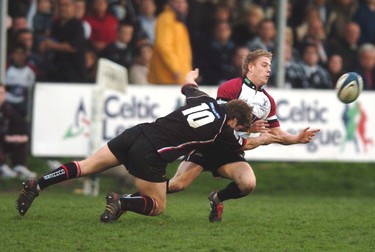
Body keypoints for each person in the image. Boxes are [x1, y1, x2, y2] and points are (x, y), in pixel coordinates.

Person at [16, 68, 282, 222]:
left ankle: (38, 184)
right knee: (158, 205)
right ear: (234, 119)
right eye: (240, 126)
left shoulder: (202, 100)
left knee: (86, 165)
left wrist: (191, 74)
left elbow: (188, 85)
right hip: (153, 154)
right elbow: (241, 147)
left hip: (138, 132)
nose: (238, 130)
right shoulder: (224, 130)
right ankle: (122, 202)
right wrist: (263, 140)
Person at [167, 49, 320, 222]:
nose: (269, 69)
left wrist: (296, 139)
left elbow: (276, 132)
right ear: (251, 67)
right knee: (177, 185)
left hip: (231, 149)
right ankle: (137, 197)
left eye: (270, 66)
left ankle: (216, 199)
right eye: (264, 65)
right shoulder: (231, 87)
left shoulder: (268, 101)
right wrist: (249, 127)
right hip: (209, 144)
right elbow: (221, 123)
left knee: (248, 184)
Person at [148, 0, 192, 84]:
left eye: (184, 2)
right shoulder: (166, 19)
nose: (182, 5)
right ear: (171, 3)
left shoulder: (177, 20)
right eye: (179, 2)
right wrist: (175, 68)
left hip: (177, 78)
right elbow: (163, 45)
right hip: (167, 78)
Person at [0, 84, 36, 180]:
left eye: (2, 94)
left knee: (21, 138)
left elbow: (20, 123)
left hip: (5, 141)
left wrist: (22, 136)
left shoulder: (8, 109)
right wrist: (5, 137)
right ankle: (2, 167)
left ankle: (19, 166)